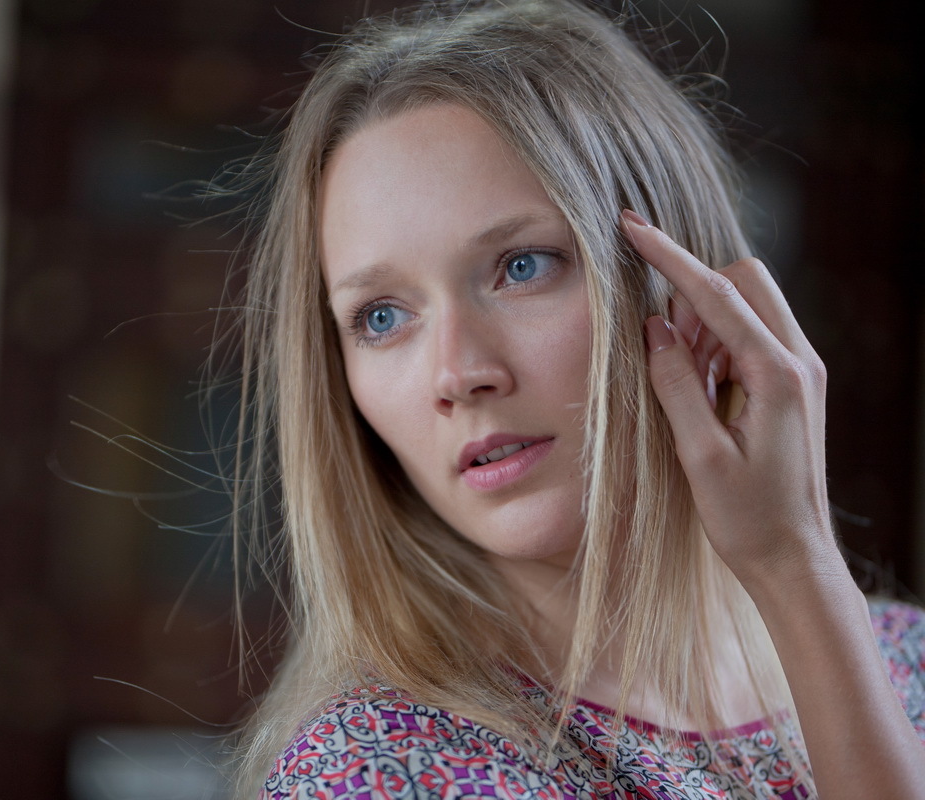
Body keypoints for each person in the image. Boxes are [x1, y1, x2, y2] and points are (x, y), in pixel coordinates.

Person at [214, 0, 925, 796]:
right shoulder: (377, 770)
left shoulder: (909, 661)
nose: (458, 373)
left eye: (520, 267)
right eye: (382, 317)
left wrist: (796, 567)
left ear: (681, 278)